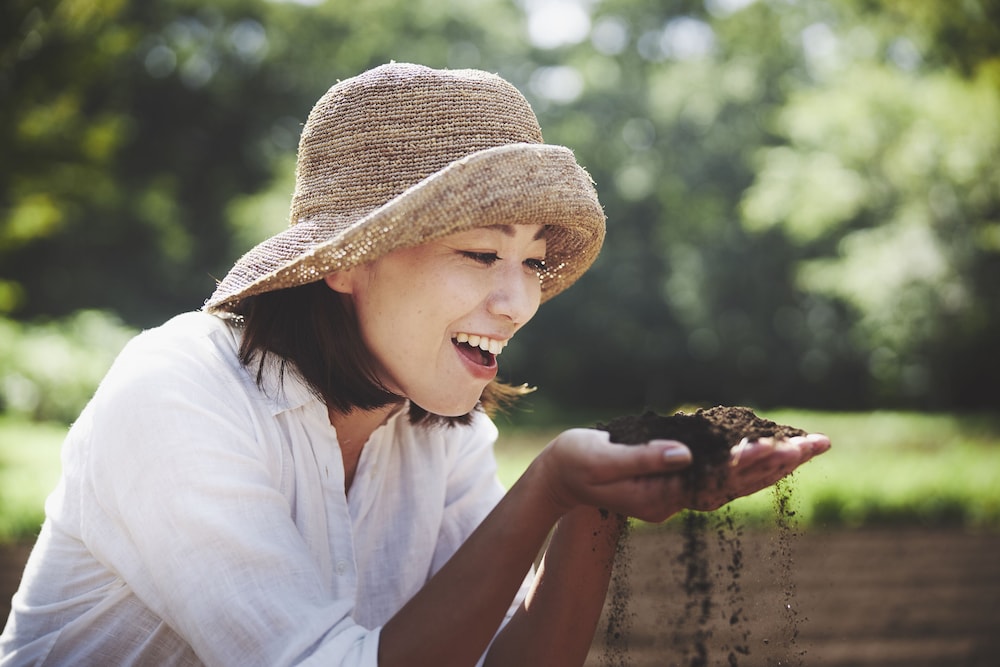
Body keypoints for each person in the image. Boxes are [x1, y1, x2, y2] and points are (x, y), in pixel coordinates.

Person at [0, 62, 830, 667]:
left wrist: (591, 505)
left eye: (534, 261)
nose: (519, 302)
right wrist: (542, 487)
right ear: (347, 260)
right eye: (479, 252)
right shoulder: (176, 393)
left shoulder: (440, 430)